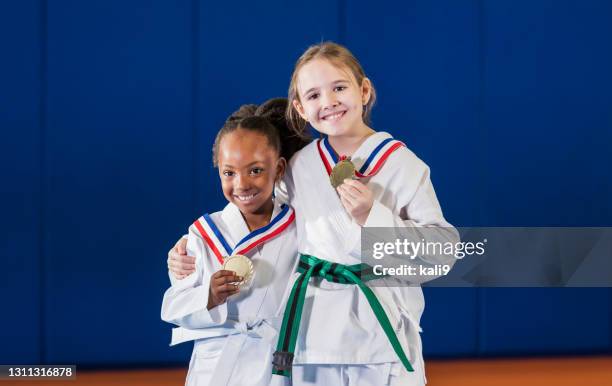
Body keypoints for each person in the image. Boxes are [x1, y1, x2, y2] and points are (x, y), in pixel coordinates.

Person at [169, 42, 459, 385]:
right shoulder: (298, 166)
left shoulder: (403, 165)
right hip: (313, 337)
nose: (329, 102)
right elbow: (253, 207)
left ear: (364, 90)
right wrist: (192, 250)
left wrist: (373, 217)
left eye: (338, 88)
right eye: (314, 95)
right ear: (300, 108)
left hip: (382, 334)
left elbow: (444, 252)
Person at [161, 98, 307, 386]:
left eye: (255, 170)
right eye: (229, 172)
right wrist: (208, 296)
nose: (241, 184)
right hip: (216, 366)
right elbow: (172, 307)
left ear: (278, 169)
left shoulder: (300, 228)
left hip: (276, 363)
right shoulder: (203, 233)